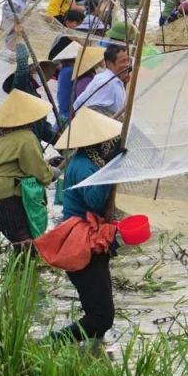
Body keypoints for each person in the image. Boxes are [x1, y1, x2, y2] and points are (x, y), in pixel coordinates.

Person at [49, 109, 124, 342]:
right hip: (81, 242)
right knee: (100, 318)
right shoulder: (83, 166)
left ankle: (90, 356)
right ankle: (50, 343)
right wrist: (109, 171)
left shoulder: (91, 161)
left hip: (89, 240)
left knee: (100, 317)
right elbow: (94, 202)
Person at [0, 90, 55, 246]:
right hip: (7, 198)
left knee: (20, 240)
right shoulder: (26, 137)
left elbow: (13, 166)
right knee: (26, 244)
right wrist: (53, 173)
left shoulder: (0, 138)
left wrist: (47, 163)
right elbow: (39, 173)